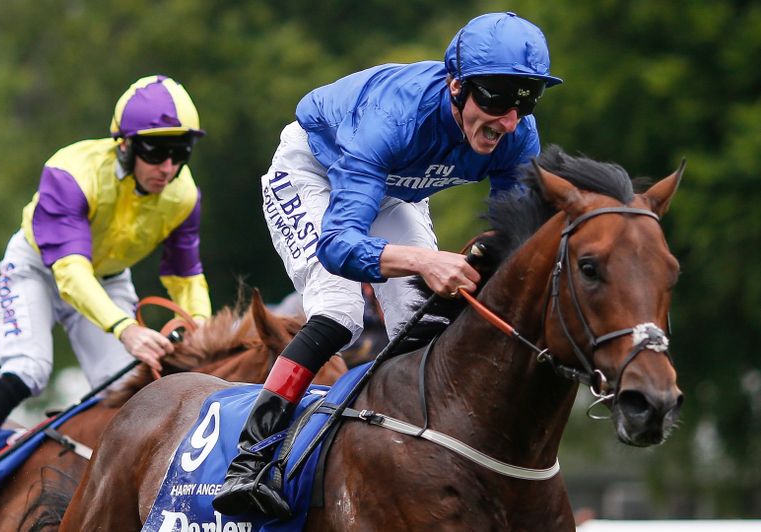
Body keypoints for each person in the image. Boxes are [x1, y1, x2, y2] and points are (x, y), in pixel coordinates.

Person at [212, 12, 563, 519]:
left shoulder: (518, 134)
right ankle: (249, 459)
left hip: (394, 190)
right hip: (315, 173)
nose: (508, 120)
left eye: (525, 102)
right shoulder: (391, 117)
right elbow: (339, 246)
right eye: (496, 100)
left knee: (425, 321)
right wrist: (425, 260)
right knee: (340, 313)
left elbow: (515, 240)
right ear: (457, 85)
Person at [0, 75, 212, 524]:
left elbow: (184, 274)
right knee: (29, 369)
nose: (168, 167)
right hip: (38, 270)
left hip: (106, 280)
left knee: (130, 392)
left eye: (180, 152)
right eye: (155, 151)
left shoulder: (184, 196)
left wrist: (200, 325)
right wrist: (126, 329)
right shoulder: (72, 172)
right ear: (124, 145)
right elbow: (70, 273)